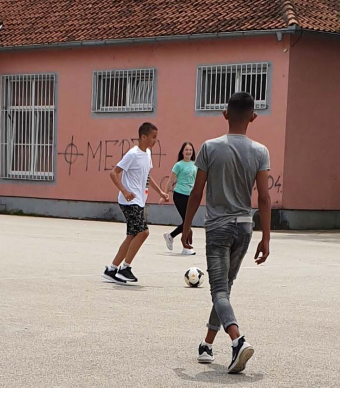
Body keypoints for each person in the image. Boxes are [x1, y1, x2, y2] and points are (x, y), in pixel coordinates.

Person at [182, 92, 271, 374]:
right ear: (253, 117)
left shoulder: (209, 147)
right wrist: (266, 238)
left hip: (219, 227)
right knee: (225, 289)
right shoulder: (260, 151)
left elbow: (197, 192)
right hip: (245, 227)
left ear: (224, 114)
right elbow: (265, 198)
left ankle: (237, 340)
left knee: (219, 290)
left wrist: (186, 226)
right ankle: (207, 344)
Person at [102, 122, 170, 284]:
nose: (155, 141)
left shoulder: (147, 154)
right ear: (143, 137)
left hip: (138, 201)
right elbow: (114, 173)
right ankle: (125, 269)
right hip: (128, 202)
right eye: (153, 137)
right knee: (143, 232)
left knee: (132, 235)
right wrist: (124, 191)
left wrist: (160, 192)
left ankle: (112, 269)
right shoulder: (132, 154)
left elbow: (147, 175)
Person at [162, 142, 198, 255]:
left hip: (191, 196)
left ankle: (171, 236)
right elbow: (171, 181)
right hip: (180, 195)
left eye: (190, 150)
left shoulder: (195, 164)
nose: (188, 152)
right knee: (187, 221)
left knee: (187, 221)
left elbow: (197, 181)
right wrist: (164, 195)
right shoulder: (178, 165)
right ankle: (186, 247)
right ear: (182, 152)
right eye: (186, 150)